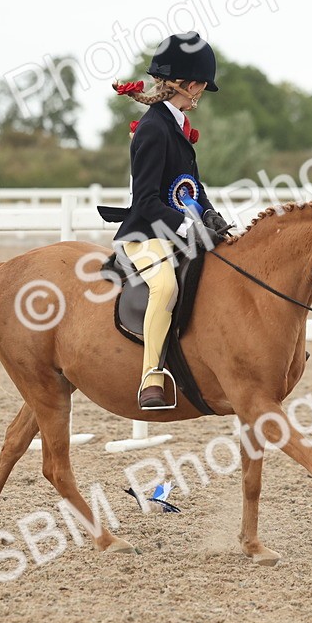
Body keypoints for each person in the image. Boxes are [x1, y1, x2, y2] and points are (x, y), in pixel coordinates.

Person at [108, 32, 230, 409]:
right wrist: (185, 226)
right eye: (201, 89)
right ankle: (151, 378)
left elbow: (189, 186)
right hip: (145, 234)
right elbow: (144, 200)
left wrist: (208, 212)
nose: (200, 96)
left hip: (178, 231)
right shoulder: (152, 129)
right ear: (190, 86)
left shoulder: (175, 127)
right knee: (166, 288)